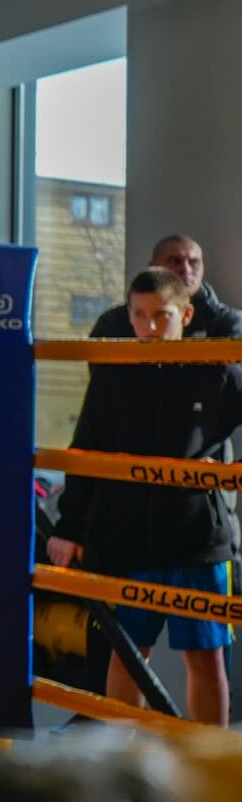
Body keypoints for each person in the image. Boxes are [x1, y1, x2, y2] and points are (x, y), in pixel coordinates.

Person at [50, 267, 242, 726]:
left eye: (161, 315)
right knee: (129, 656)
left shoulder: (215, 369)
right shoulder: (113, 374)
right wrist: (69, 527)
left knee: (205, 658)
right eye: (139, 315)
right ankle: (124, 757)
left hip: (198, 537)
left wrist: (231, 472)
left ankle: (205, 760)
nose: (150, 326)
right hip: (131, 536)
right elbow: (86, 447)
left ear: (186, 316)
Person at [91, 235, 242, 339]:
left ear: (187, 315)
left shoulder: (229, 323)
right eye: (175, 261)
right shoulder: (113, 324)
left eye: (194, 262)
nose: (186, 270)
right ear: (152, 267)